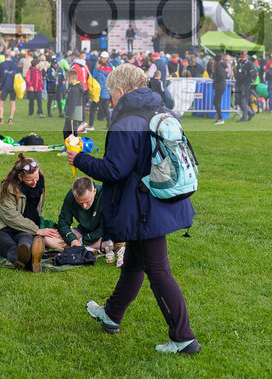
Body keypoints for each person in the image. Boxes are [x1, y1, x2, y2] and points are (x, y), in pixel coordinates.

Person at [67, 63, 200, 355]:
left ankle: (183, 337)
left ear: (121, 90)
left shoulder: (127, 119)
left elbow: (114, 169)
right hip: (159, 200)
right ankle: (112, 314)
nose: (111, 101)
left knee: (158, 270)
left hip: (145, 206)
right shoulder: (162, 111)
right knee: (134, 264)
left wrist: (79, 159)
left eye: (112, 95)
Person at [0, 154, 64, 272]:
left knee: (25, 240)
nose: (35, 182)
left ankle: (26, 258)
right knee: (6, 244)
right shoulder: (8, 188)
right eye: (30, 179)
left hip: (26, 229)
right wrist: (36, 230)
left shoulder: (39, 185)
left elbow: (39, 210)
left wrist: (36, 229)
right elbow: (10, 217)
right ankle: (31, 262)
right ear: (20, 177)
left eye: (36, 177)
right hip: (2, 228)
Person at [57, 177, 105, 249]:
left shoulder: (105, 194)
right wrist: (73, 240)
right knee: (51, 239)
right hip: (82, 232)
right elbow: (63, 223)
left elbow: (106, 226)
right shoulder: (71, 196)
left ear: (94, 192)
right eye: (80, 203)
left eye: (87, 202)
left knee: (116, 241)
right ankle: (88, 248)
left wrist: (84, 240)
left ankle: (81, 248)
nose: (84, 206)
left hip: (102, 234)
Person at [0, 51, 19, 125]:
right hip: (13, 86)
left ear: (4, 56)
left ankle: (1, 119)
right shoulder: (15, 64)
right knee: (12, 103)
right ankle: (10, 119)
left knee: (1, 103)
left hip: (4, 86)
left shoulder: (1, 65)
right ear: (11, 57)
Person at [90, 52, 113, 129]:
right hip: (106, 94)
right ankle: (109, 126)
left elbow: (99, 85)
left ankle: (90, 125)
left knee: (92, 109)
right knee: (106, 110)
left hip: (101, 94)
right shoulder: (109, 70)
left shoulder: (99, 73)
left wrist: (97, 95)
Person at [64, 69, 88, 140]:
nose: (67, 79)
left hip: (73, 114)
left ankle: (73, 147)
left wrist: (68, 114)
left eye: (67, 77)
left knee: (71, 132)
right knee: (68, 131)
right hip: (75, 113)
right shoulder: (76, 86)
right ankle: (70, 146)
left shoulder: (75, 89)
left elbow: (72, 103)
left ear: (70, 77)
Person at [212, 53, 229, 124]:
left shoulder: (218, 67)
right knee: (216, 102)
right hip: (221, 85)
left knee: (216, 102)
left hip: (219, 85)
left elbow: (221, 76)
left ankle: (220, 118)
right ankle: (219, 116)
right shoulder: (222, 66)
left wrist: (216, 81)